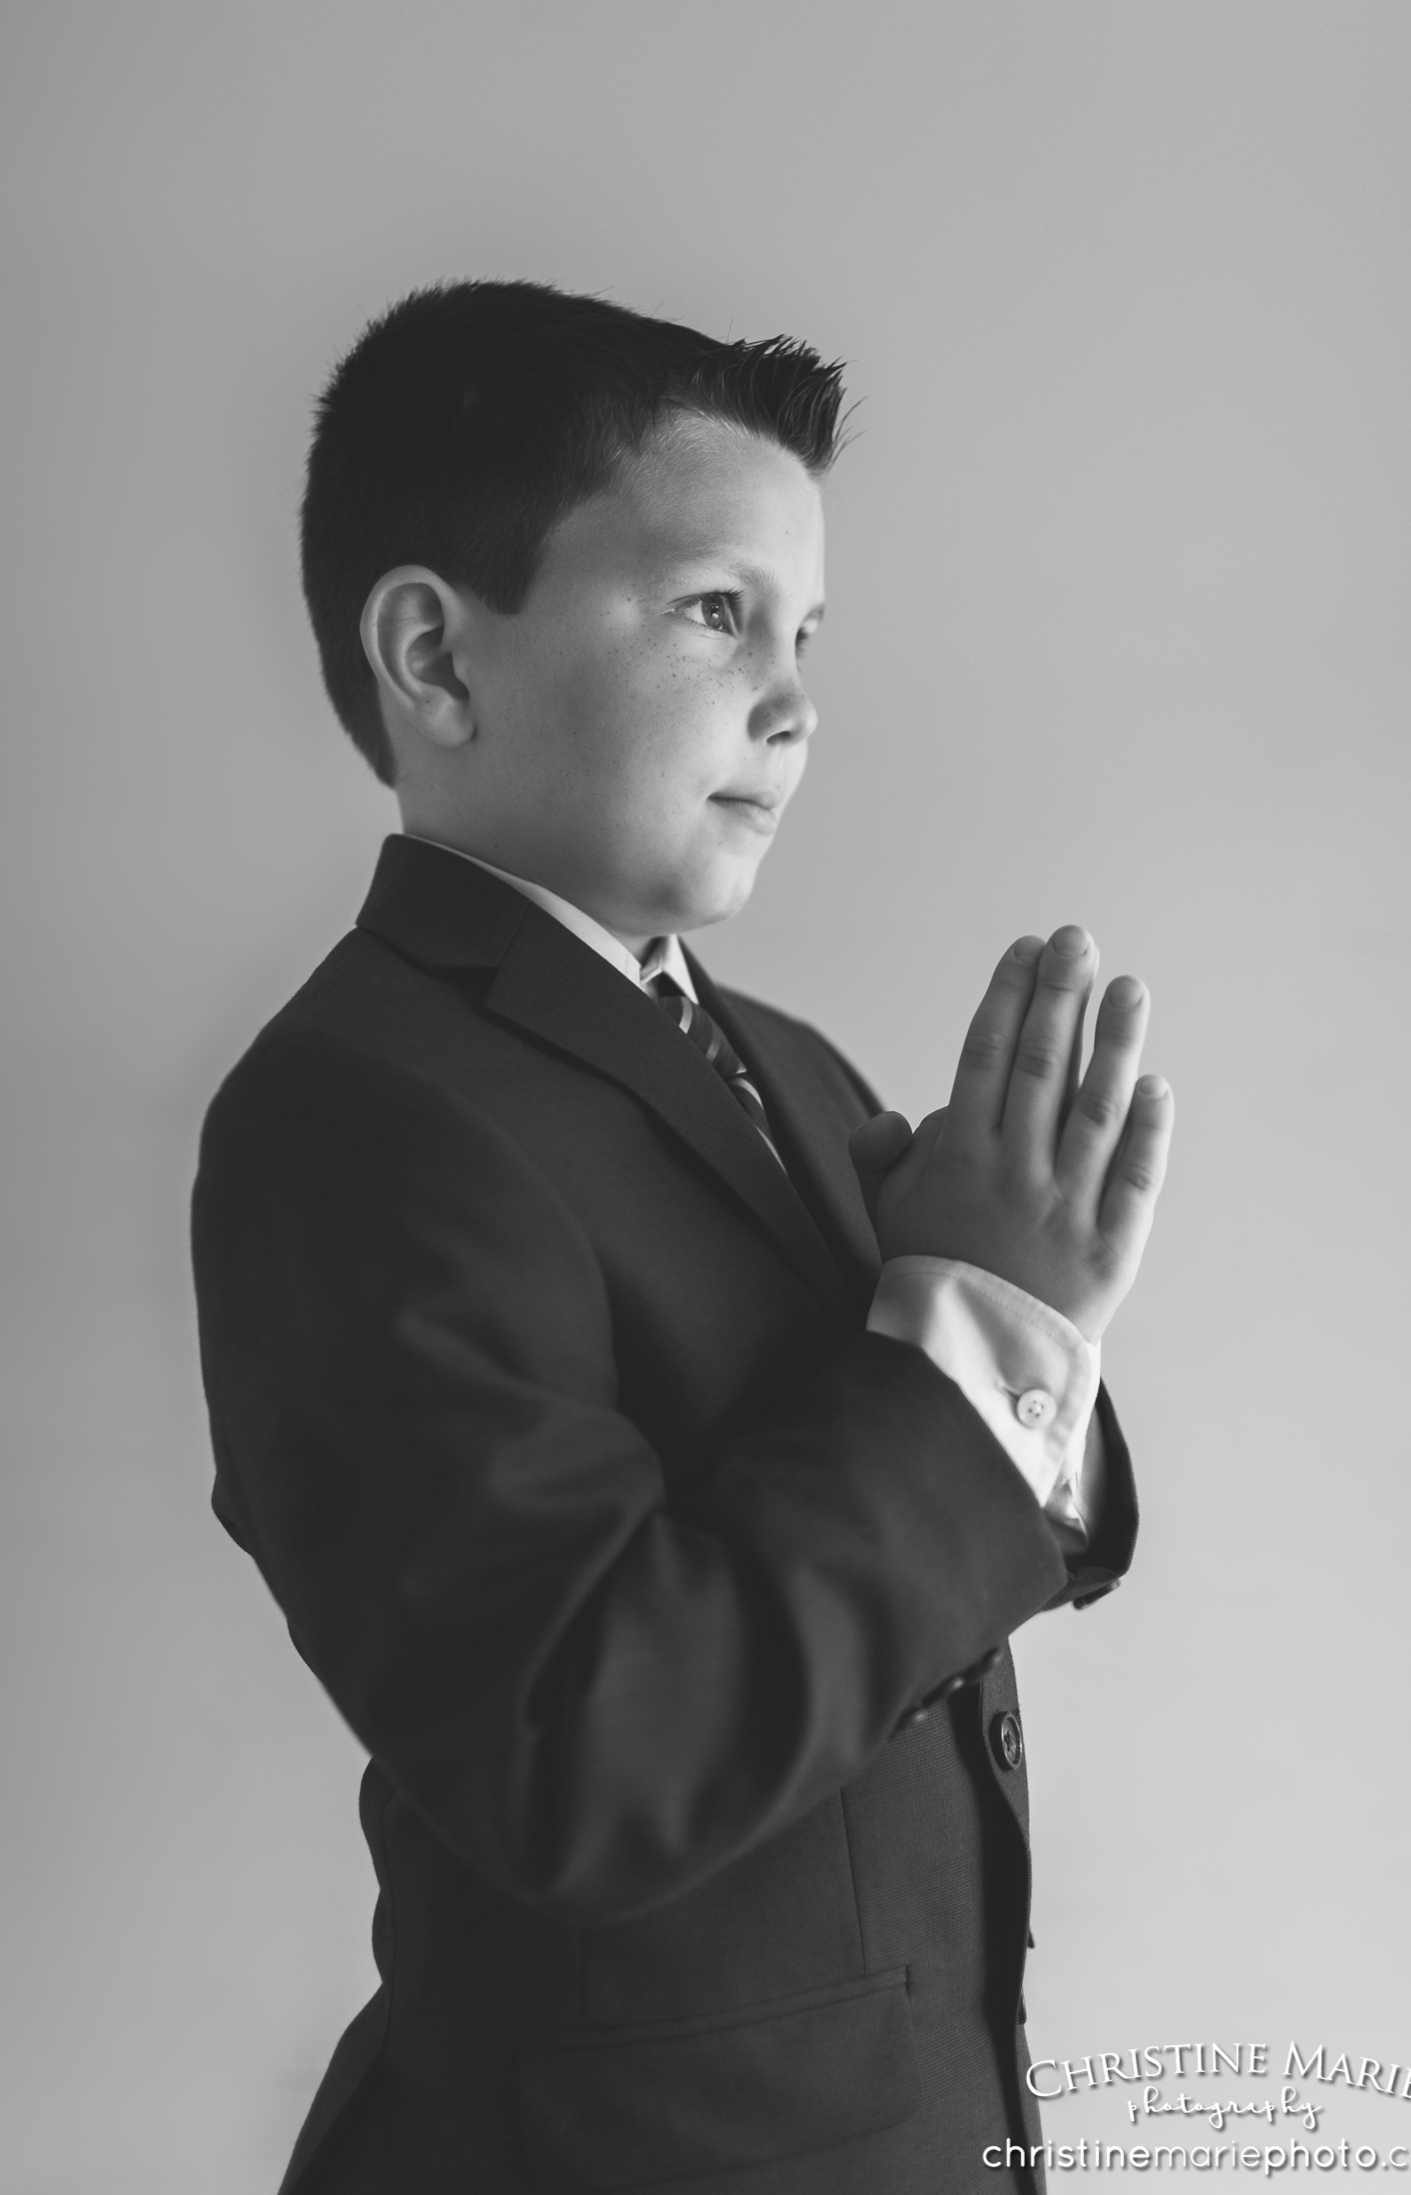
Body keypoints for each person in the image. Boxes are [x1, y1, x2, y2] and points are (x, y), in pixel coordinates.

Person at [191, 280, 1173, 2193]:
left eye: (807, 632)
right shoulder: (354, 1113)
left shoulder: (784, 1066)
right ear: (436, 658)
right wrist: (975, 1327)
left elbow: (1013, 1529)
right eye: (720, 611)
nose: (798, 699)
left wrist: (1014, 1316)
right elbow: (581, 1753)